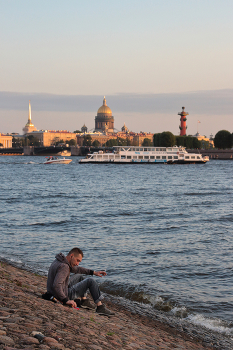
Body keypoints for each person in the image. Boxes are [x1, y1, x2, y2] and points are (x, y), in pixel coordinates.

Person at [45, 247, 114, 316]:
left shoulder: (59, 260)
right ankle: (100, 307)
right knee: (90, 281)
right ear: (71, 256)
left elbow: (78, 269)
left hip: (52, 292)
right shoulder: (65, 267)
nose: (78, 264)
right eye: (77, 260)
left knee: (79, 276)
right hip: (61, 295)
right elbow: (56, 285)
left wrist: (94, 272)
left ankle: (84, 301)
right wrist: (66, 300)